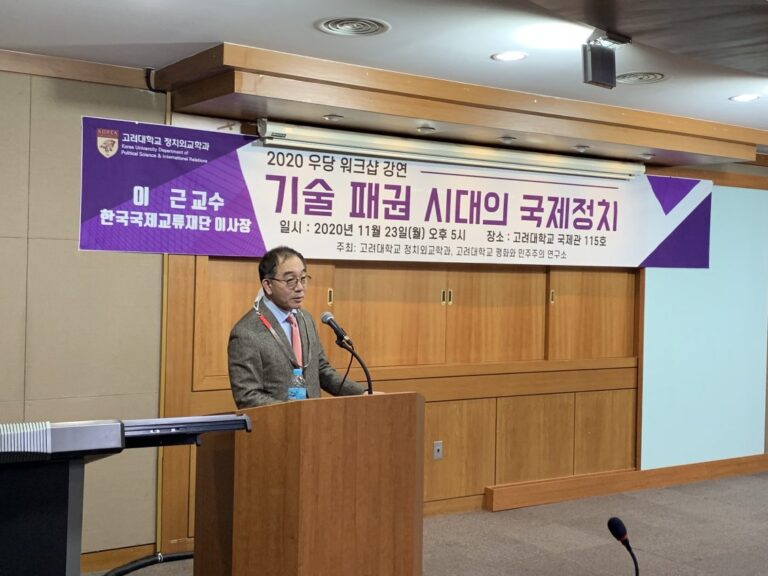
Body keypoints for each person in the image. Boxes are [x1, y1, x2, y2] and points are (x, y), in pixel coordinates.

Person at [228, 245, 366, 408]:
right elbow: (247, 396)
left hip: (314, 418)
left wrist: (363, 394)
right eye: (290, 280)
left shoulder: (306, 319)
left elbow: (321, 371)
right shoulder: (246, 333)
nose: (300, 287)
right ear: (268, 285)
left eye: (303, 278)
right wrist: (293, 413)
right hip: (276, 422)